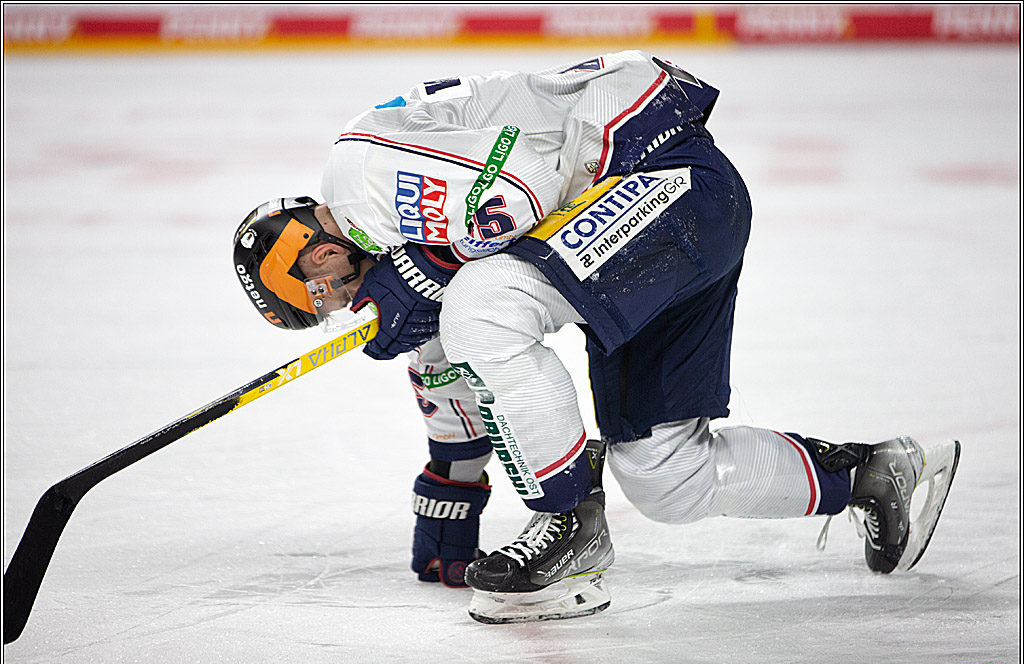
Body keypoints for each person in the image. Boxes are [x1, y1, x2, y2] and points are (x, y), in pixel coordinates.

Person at [231, 50, 959, 624]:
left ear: (317, 256)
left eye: (325, 299)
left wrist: (424, 277)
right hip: (651, 221)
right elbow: (453, 370)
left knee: (481, 305)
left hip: (661, 173)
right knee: (667, 476)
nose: (344, 306)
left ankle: (569, 528)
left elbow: (521, 187)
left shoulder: (359, 183)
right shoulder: (392, 237)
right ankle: (876, 474)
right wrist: (448, 501)